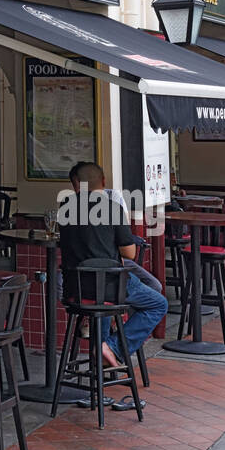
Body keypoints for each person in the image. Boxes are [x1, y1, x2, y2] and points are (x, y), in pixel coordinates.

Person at [58, 161, 168, 403]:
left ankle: (101, 366)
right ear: (104, 182)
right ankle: (112, 348)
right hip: (109, 285)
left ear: (76, 185)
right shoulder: (111, 208)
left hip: (74, 289)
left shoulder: (64, 207)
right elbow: (129, 254)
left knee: (103, 303)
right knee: (157, 304)